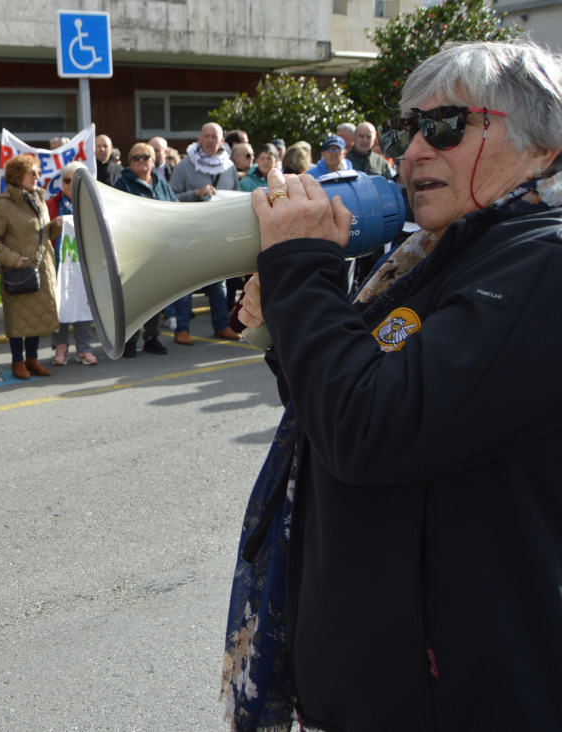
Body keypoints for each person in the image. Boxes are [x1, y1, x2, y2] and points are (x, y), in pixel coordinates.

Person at [224, 40, 562, 732]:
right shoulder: (438, 253)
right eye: (410, 130)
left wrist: (303, 280)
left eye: (444, 126)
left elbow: (369, 428)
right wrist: (294, 324)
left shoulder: (542, 266)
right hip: (389, 686)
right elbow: (335, 402)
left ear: (544, 146)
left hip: (461, 696)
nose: (411, 154)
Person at [0, 154, 62, 381]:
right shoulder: (3, 205)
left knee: (36, 318)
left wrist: (55, 227)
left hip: (41, 268)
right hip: (19, 271)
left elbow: (41, 234)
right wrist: (13, 259)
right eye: (33, 173)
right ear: (18, 175)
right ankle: (17, 361)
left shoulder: (38, 199)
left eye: (38, 173)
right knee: (18, 319)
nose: (37, 177)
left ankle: (32, 359)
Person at [170, 123, 241, 340]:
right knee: (188, 283)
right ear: (200, 139)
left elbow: (236, 197)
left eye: (215, 137)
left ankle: (221, 325)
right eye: (206, 136)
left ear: (222, 141)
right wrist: (195, 193)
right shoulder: (185, 165)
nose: (210, 140)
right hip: (190, 233)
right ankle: (182, 329)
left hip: (217, 235)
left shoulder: (229, 167)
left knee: (219, 285)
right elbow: (171, 197)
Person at [116, 143, 180, 350]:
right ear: (129, 162)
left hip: (158, 249)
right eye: (136, 157)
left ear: (154, 161)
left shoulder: (161, 183)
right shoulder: (122, 183)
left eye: (146, 157)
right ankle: (130, 341)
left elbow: (175, 206)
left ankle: (152, 337)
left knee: (155, 295)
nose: (142, 160)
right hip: (133, 249)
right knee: (134, 297)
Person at [46, 162, 99, 365]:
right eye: (67, 180)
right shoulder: (52, 204)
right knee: (59, 306)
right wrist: (55, 225)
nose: (71, 184)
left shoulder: (90, 203)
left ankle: (84, 348)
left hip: (83, 265)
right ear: (62, 182)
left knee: (82, 304)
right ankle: (60, 347)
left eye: (76, 180)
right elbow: (43, 230)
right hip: (58, 264)